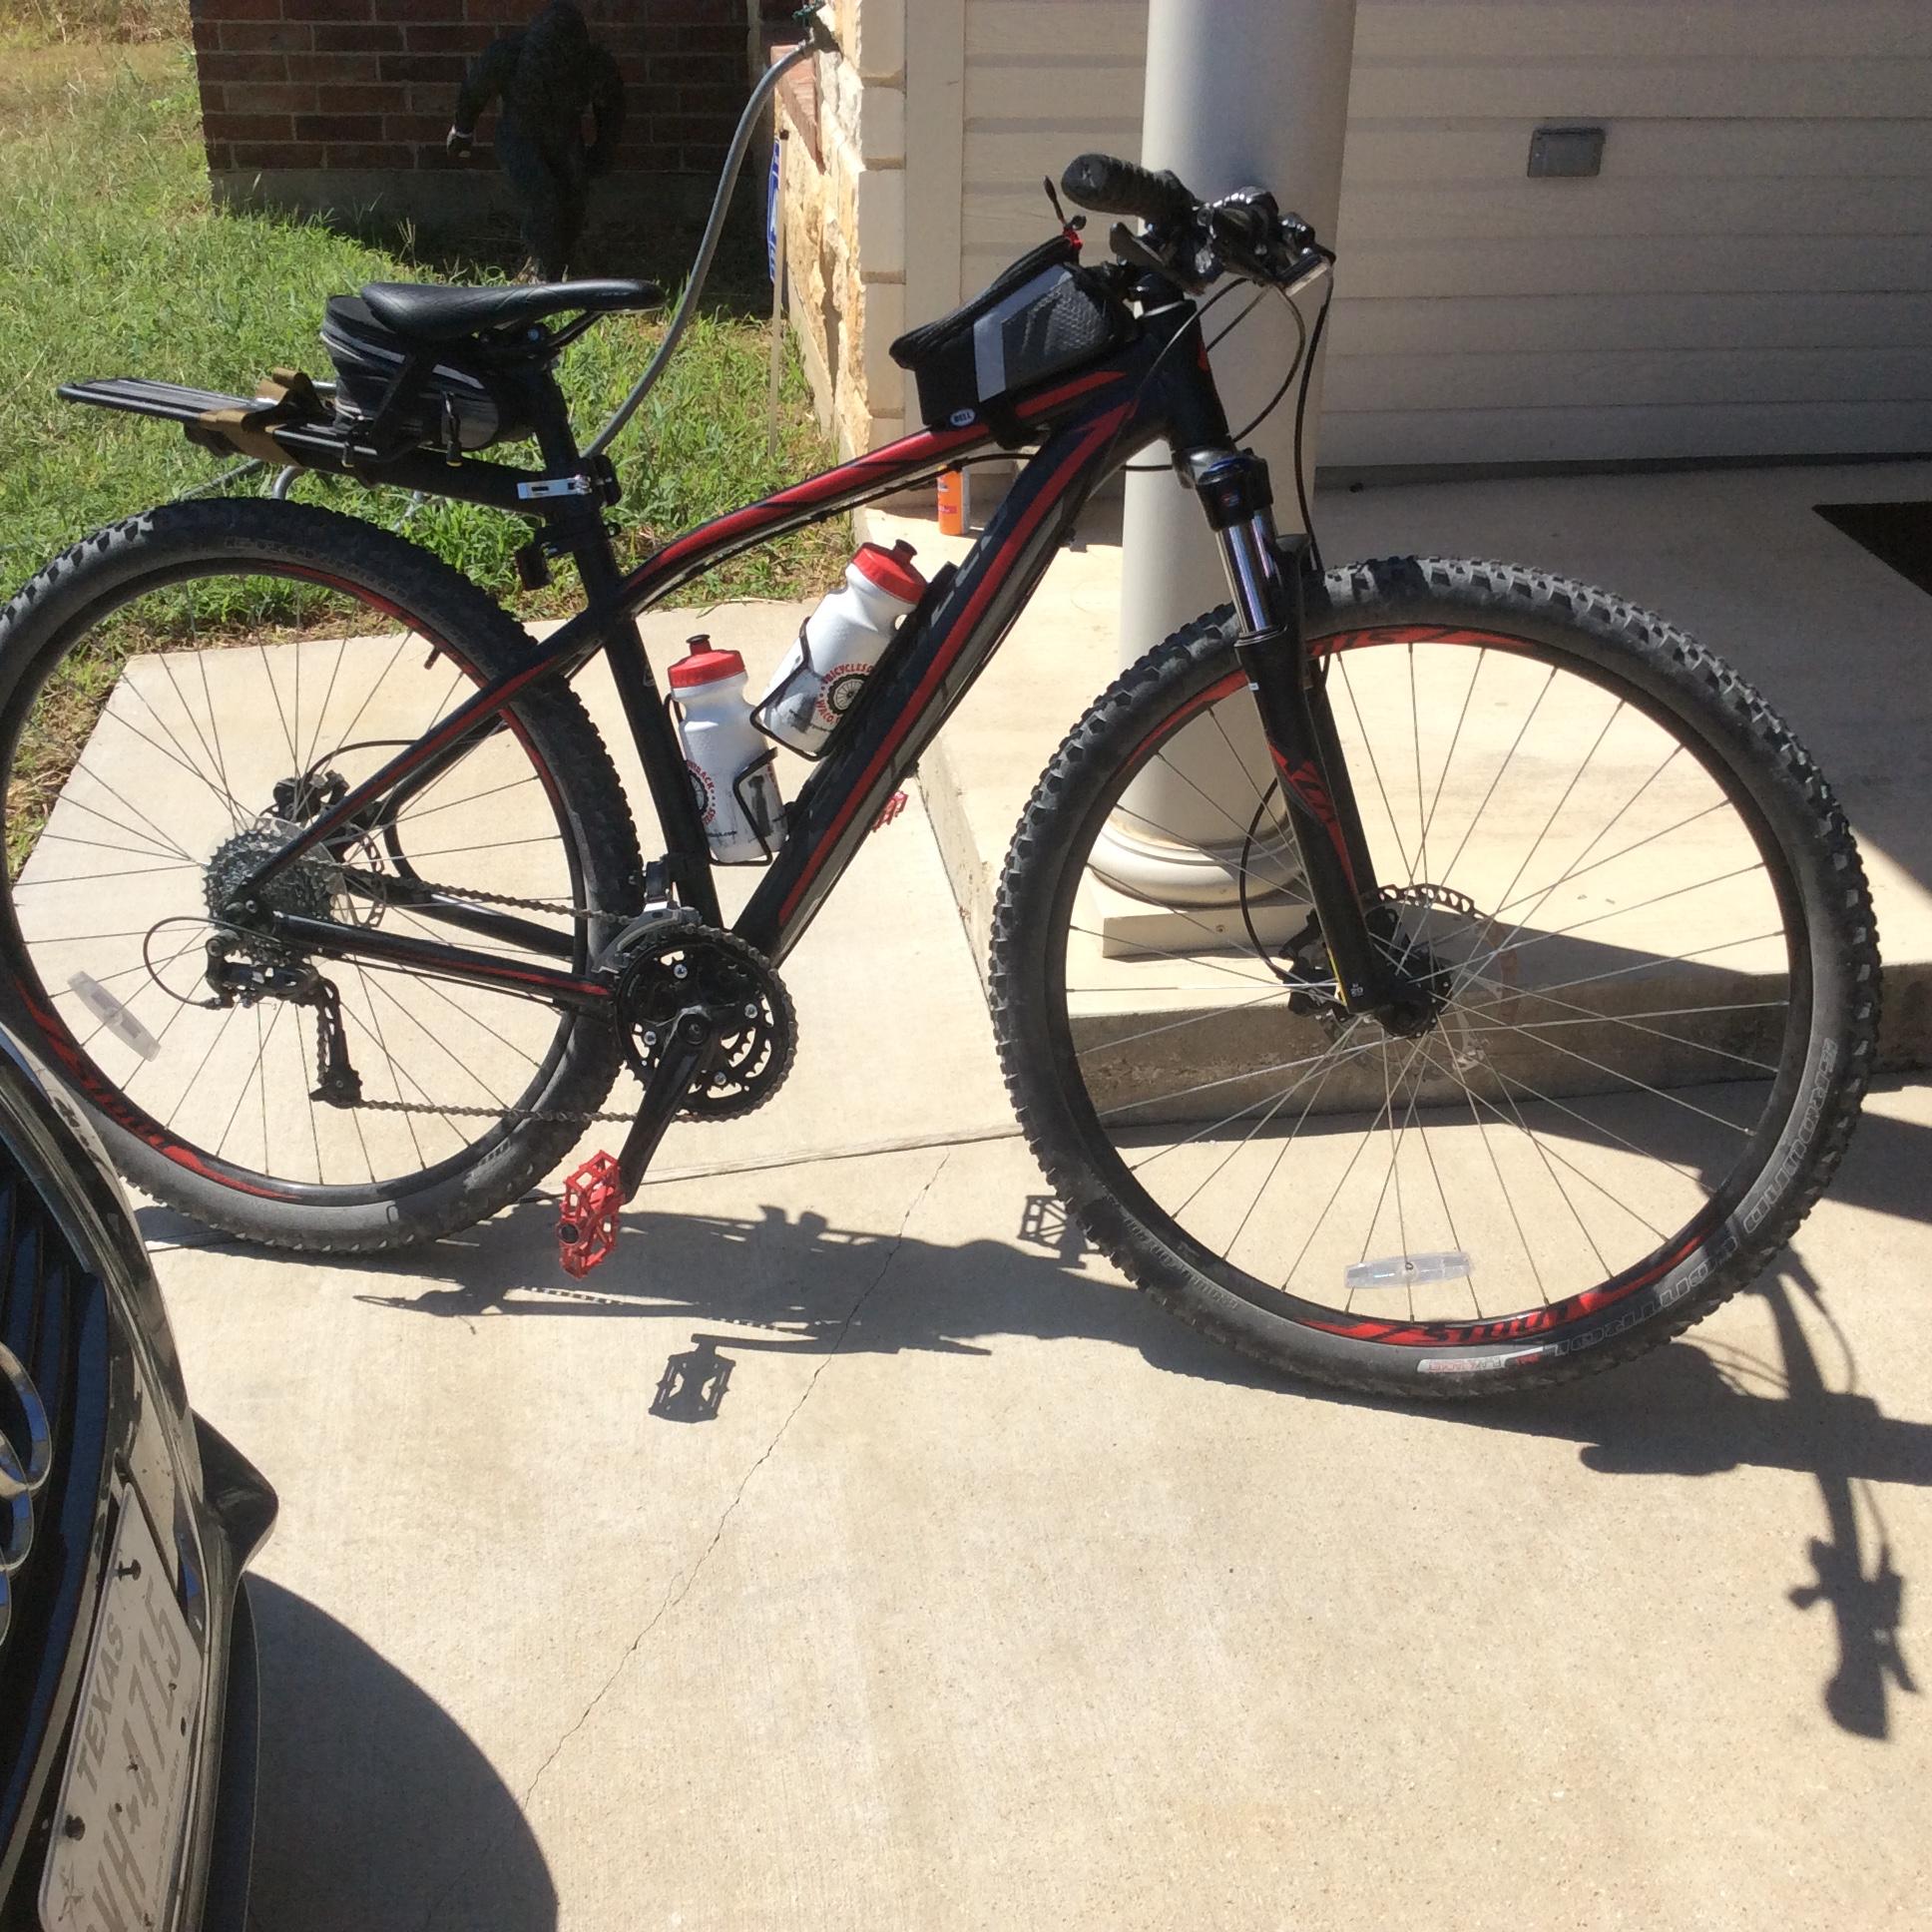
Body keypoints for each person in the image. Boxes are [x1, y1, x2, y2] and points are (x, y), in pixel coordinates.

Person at [446, 0, 626, 282]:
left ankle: (563, 257)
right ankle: (544, 272)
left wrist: (604, 147)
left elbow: (611, 107)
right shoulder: (506, 56)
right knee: (543, 197)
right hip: (519, 135)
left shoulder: (594, 66)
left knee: (574, 196)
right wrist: (463, 131)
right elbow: (474, 91)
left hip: (565, 136)